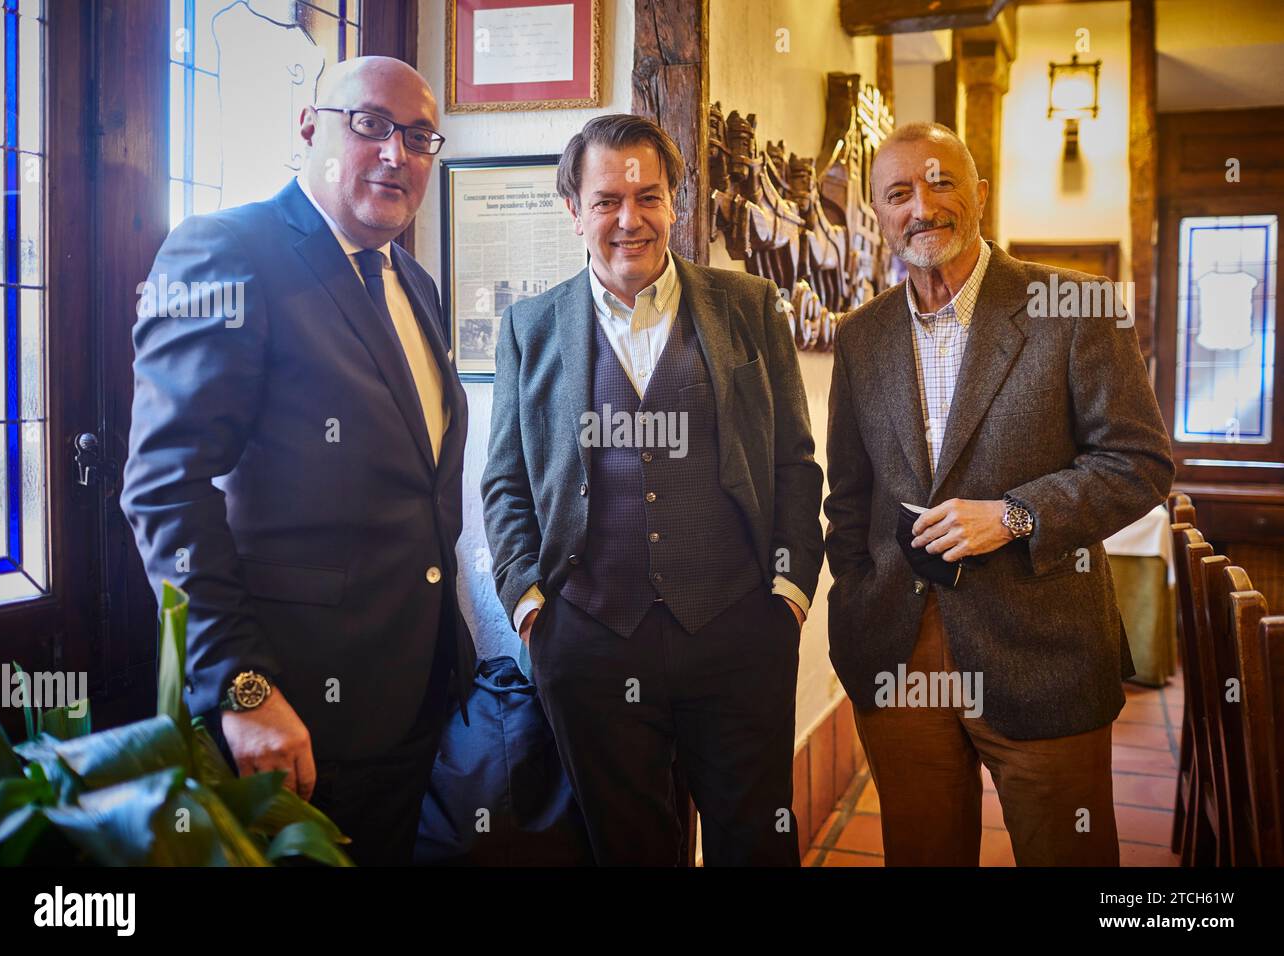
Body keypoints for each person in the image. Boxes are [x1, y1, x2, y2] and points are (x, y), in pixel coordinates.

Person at [120, 56, 474, 866]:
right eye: (372, 125)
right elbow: (165, 485)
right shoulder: (223, 250)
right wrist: (244, 690)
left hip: (411, 698)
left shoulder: (413, 281)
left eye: (420, 137)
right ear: (309, 127)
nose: (397, 153)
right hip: (286, 711)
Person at [824, 121, 1175, 866]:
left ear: (980, 193)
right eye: (898, 192)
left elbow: (1139, 462)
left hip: (1043, 649)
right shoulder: (860, 337)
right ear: (878, 214)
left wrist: (1015, 515)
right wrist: (855, 599)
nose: (923, 205)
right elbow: (849, 498)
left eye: (941, 180)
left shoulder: (1075, 308)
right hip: (896, 651)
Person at [480, 113, 825, 866]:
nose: (628, 219)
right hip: (591, 639)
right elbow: (505, 479)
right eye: (606, 201)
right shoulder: (529, 329)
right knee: (628, 848)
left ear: (677, 204)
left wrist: (791, 591)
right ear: (574, 212)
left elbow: (795, 462)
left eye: (648, 197)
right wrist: (529, 603)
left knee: (756, 843)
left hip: (738, 629)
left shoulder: (749, 307)